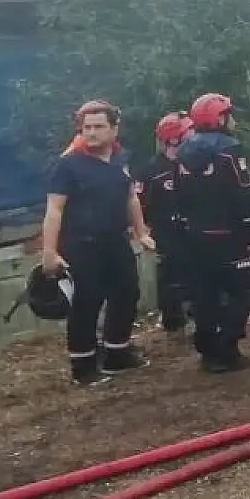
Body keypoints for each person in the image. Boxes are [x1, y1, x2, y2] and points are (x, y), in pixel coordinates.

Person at [42, 100, 157, 385]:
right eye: (87, 127)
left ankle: (117, 353)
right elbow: (54, 209)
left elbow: (131, 197)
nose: (91, 133)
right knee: (86, 302)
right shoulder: (68, 164)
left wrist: (141, 232)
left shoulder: (120, 158)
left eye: (98, 126)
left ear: (114, 129)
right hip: (81, 245)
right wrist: (49, 252)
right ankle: (83, 366)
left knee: (127, 293)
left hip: (115, 240)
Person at [175, 92, 250, 373]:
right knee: (242, 291)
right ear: (219, 119)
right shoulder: (229, 149)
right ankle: (227, 349)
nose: (233, 120)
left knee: (205, 293)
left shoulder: (184, 151)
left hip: (195, 235)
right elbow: (240, 192)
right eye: (229, 114)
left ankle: (208, 350)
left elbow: (179, 194)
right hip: (228, 234)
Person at [138, 112, 194, 335]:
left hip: (195, 230)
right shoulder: (152, 170)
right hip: (167, 234)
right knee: (171, 276)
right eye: (188, 132)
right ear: (173, 139)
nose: (194, 135)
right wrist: (143, 230)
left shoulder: (195, 162)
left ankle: (198, 315)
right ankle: (173, 320)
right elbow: (138, 203)